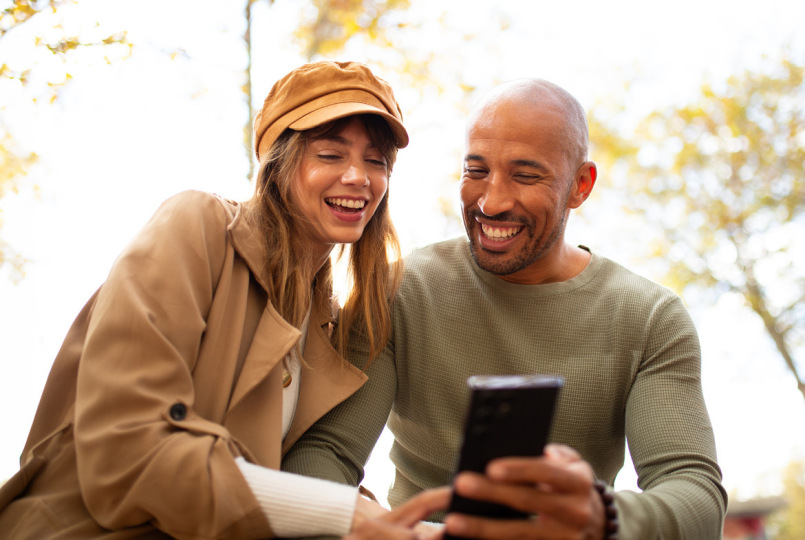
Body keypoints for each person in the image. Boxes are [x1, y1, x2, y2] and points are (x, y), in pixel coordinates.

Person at [282, 78, 728, 539]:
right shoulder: (401, 289)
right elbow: (325, 453)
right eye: (476, 171)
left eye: (526, 175)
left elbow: (694, 492)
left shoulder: (651, 318)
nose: (491, 202)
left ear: (580, 185)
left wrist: (602, 517)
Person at [0, 60, 409, 539]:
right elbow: (127, 449)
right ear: (279, 162)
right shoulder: (197, 226)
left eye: (376, 161)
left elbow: (284, 479)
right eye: (330, 155)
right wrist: (345, 514)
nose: (359, 177)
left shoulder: (327, 326)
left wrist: (389, 522)